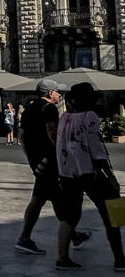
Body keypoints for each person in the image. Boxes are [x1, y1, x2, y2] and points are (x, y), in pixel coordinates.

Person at [55, 81, 124, 270]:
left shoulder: (64, 117)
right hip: (90, 172)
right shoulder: (90, 116)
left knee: (69, 216)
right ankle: (120, 259)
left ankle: (62, 258)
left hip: (68, 173)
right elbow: (96, 149)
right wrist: (110, 175)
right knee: (112, 210)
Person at [16, 78, 89, 256]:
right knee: (40, 198)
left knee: (53, 197)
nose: (59, 95)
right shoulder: (49, 109)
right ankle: (25, 238)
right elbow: (52, 133)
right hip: (50, 160)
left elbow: (22, 136)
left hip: (37, 160)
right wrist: (62, 153)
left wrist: (31, 158)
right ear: (50, 93)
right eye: (58, 92)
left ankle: (74, 235)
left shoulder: (29, 108)